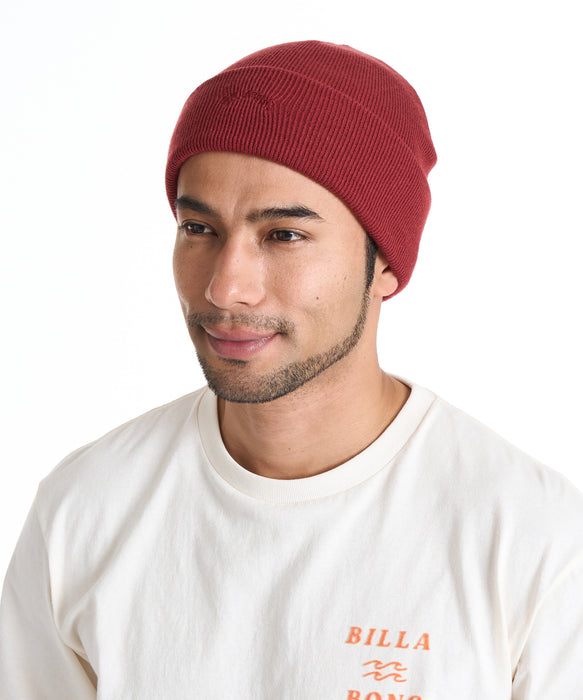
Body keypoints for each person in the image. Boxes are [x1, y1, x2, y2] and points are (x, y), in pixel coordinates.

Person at [1, 40, 582, 700]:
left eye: (283, 235)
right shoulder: (82, 513)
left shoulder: (529, 536)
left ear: (385, 263)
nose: (226, 288)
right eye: (198, 229)